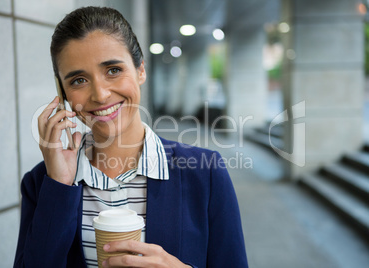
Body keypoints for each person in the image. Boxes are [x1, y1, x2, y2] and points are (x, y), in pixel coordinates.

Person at [13, 6, 248, 268]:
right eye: (78, 80)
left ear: (141, 71)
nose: (100, 95)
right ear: (64, 94)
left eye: (113, 70)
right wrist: (59, 187)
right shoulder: (43, 183)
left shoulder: (206, 173)